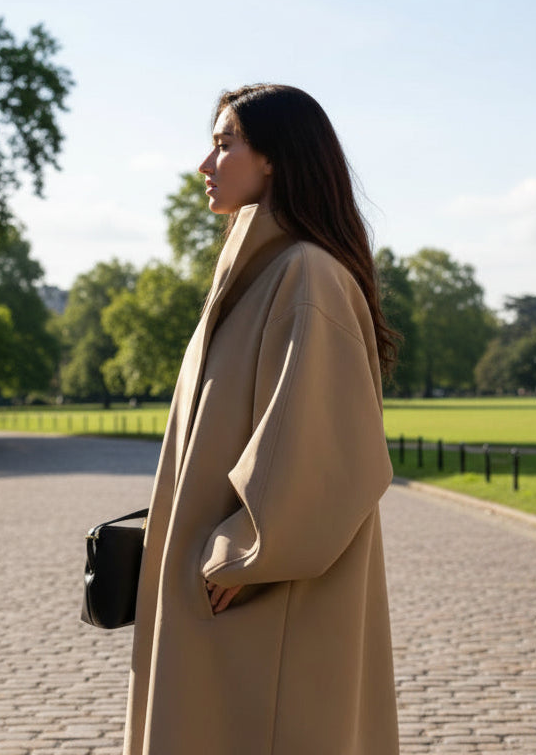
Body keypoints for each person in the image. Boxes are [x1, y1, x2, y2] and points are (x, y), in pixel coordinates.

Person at [123, 84, 400, 755]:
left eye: (225, 145)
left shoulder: (306, 275)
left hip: (258, 596)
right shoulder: (258, 275)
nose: (205, 164)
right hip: (224, 593)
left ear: (275, 157)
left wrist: (241, 553)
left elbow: (319, 449)